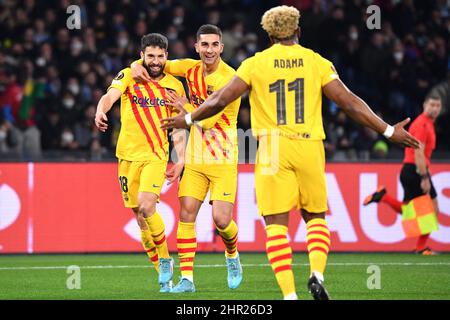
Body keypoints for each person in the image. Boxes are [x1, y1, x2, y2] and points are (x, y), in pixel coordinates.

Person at [161, 6, 420, 300]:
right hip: (309, 145)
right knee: (316, 217)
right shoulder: (316, 62)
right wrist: (387, 131)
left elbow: (220, 100)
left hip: (272, 148)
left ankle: (289, 296)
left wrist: (187, 118)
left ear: (269, 35)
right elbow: (349, 102)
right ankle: (317, 274)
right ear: (298, 31)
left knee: (275, 224)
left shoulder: (254, 64)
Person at [131, 24, 243, 293]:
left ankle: (232, 255)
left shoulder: (230, 78)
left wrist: (184, 106)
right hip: (195, 157)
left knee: (222, 220)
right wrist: (136, 65)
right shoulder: (188, 68)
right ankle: (187, 280)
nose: (209, 50)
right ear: (196, 47)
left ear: (221, 48)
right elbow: (156, 62)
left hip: (223, 157)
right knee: (186, 214)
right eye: (204, 45)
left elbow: (209, 120)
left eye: (214, 45)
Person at [95, 33, 186, 292]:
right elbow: (110, 95)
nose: (155, 61)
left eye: (160, 56)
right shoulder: (128, 75)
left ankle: (166, 259)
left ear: (166, 57)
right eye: (151, 56)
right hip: (126, 157)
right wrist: (100, 110)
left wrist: (180, 158)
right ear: (142, 55)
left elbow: (178, 127)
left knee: (148, 205)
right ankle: (165, 278)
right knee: (141, 219)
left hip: (156, 155)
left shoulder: (174, 86)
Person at [364, 94, 442, 255]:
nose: (435, 108)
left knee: (409, 210)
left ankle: (383, 197)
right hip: (416, 170)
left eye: (438, 106)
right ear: (424, 105)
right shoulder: (422, 124)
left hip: (409, 169)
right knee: (432, 209)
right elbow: (418, 152)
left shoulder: (427, 124)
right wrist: (424, 177)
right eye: (432, 105)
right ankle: (421, 247)